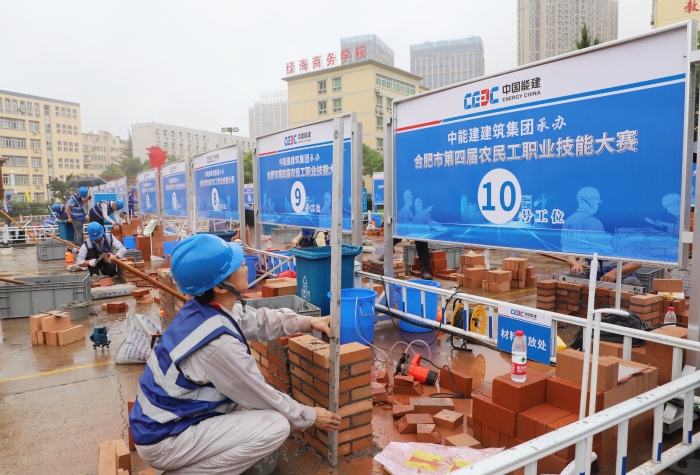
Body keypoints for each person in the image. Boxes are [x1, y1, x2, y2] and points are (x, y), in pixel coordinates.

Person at [129, 234, 341, 474]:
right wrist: (310, 416)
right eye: (236, 265)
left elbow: (258, 321)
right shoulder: (218, 346)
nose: (244, 265)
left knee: (241, 408)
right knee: (276, 425)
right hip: (165, 438)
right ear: (220, 287)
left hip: (162, 421)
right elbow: (261, 395)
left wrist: (308, 322)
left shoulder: (207, 308)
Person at [560, 187, 614, 254]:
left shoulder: (568, 220)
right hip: (589, 259)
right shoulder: (592, 222)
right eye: (597, 202)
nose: (597, 206)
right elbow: (609, 248)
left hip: (571, 258)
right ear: (589, 201)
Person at [565, 256, 642, 286]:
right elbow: (571, 257)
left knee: (632, 282)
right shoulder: (590, 242)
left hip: (621, 279)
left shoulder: (622, 242)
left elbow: (637, 263)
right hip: (596, 278)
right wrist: (575, 264)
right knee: (570, 277)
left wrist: (615, 272)